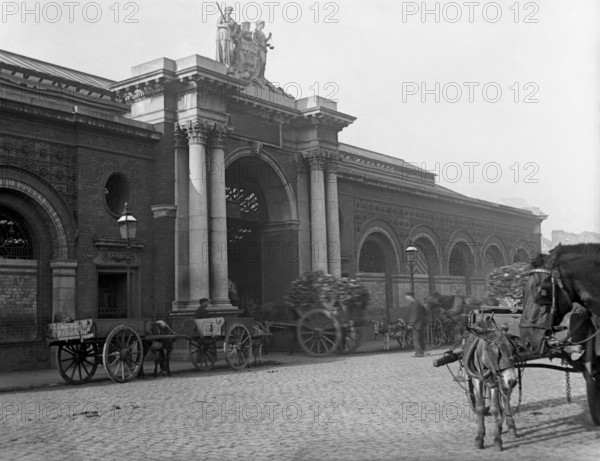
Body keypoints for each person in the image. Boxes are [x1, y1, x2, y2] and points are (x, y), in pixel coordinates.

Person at [406, 291, 427, 357]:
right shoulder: (418, 303)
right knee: (420, 338)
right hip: (420, 323)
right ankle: (421, 351)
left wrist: (410, 324)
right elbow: (425, 312)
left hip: (416, 324)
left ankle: (419, 353)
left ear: (410, 296)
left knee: (416, 338)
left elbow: (414, 315)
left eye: (406, 296)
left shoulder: (414, 304)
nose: (406, 298)